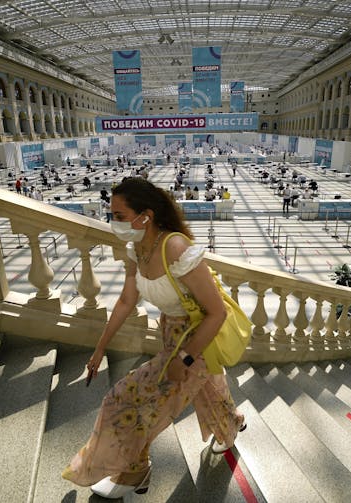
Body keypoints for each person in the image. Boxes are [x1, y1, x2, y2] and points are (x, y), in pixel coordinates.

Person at [62, 178, 245, 498]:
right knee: (210, 394)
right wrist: (99, 348)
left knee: (127, 402)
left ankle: (135, 471)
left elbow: (217, 313)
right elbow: (125, 301)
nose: (113, 222)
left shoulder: (175, 248)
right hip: (171, 334)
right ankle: (234, 422)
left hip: (197, 341)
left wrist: (184, 359)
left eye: (119, 215)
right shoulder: (138, 249)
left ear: (144, 216)